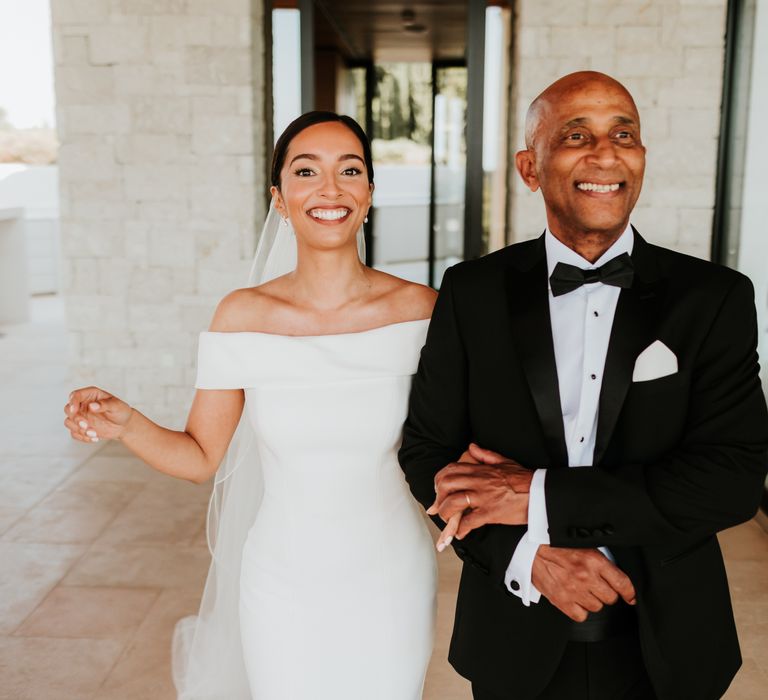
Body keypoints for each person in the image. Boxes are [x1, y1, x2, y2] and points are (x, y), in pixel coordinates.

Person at [399, 71, 768, 700]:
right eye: (577, 135)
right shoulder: (471, 292)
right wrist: (526, 555)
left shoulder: (714, 298)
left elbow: (732, 478)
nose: (606, 153)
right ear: (530, 166)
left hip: (670, 640)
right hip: (513, 635)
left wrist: (538, 498)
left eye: (624, 133)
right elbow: (428, 451)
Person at [64, 111, 438, 700]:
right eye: (306, 171)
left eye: (350, 170)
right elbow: (199, 457)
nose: (330, 189)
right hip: (281, 578)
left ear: (369, 192)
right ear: (280, 198)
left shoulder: (423, 311)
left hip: (391, 574)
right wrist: (128, 424)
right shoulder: (242, 316)